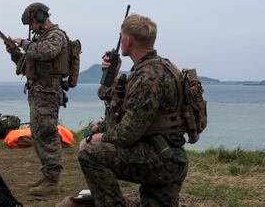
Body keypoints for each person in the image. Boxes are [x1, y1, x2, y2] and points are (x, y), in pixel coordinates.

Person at [58, 14, 189, 207]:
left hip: (160, 159)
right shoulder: (158, 68)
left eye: (121, 36)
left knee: (91, 154)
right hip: (169, 156)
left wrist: (93, 138)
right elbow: (117, 109)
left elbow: (128, 133)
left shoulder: (148, 77)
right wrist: (110, 74)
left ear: (127, 39)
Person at [5, 2, 70, 196]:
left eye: (32, 23)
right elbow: (30, 64)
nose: (31, 28)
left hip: (48, 92)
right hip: (39, 91)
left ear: (41, 18)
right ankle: (47, 175)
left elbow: (45, 52)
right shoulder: (42, 38)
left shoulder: (56, 36)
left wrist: (24, 44)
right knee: (39, 133)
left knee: (48, 133)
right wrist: (16, 54)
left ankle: (52, 180)